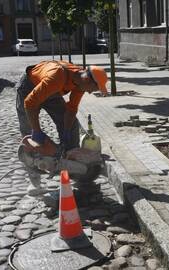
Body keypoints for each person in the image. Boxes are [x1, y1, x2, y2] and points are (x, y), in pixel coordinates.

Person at [16, 60, 108, 194]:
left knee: (72, 125)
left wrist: (66, 131)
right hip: (29, 88)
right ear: (87, 78)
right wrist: (36, 131)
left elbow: (71, 110)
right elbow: (30, 103)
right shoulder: (57, 76)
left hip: (52, 91)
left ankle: (72, 168)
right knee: (29, 134)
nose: (89, 92)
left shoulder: (80, 84)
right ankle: (35, 182)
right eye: (92, 89)